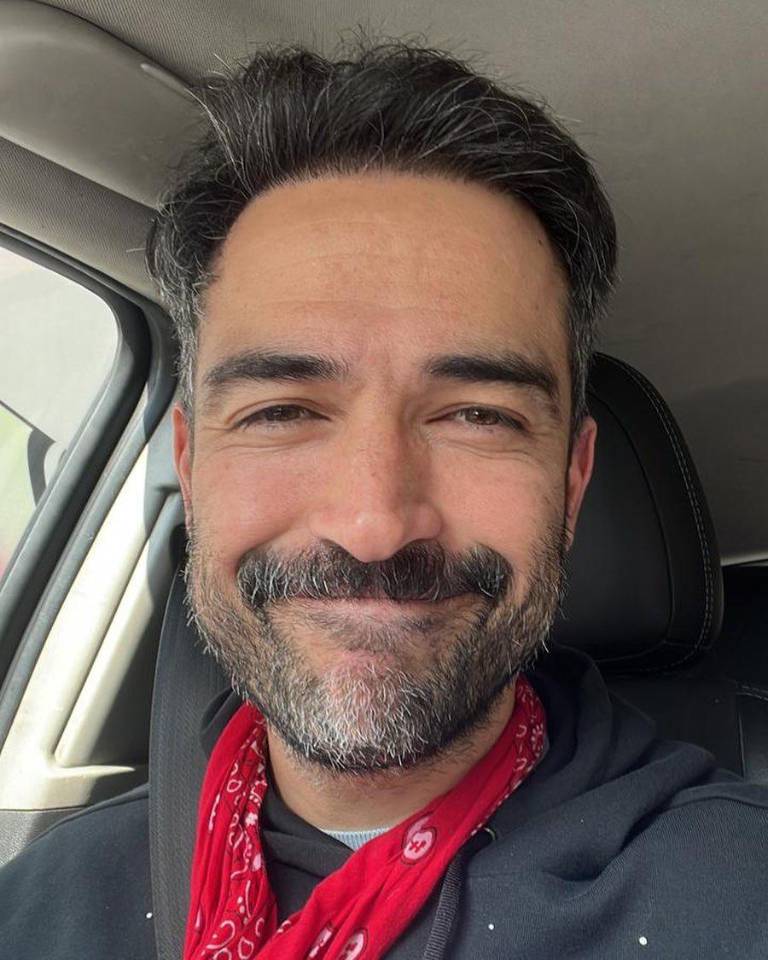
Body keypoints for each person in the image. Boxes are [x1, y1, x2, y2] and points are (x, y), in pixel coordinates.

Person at [2, 36, 767, 960]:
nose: (373, 525)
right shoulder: (43, 901)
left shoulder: (728, 894)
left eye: (477, 416)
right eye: (283, 411)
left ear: (571, 484)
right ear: (192, 467)